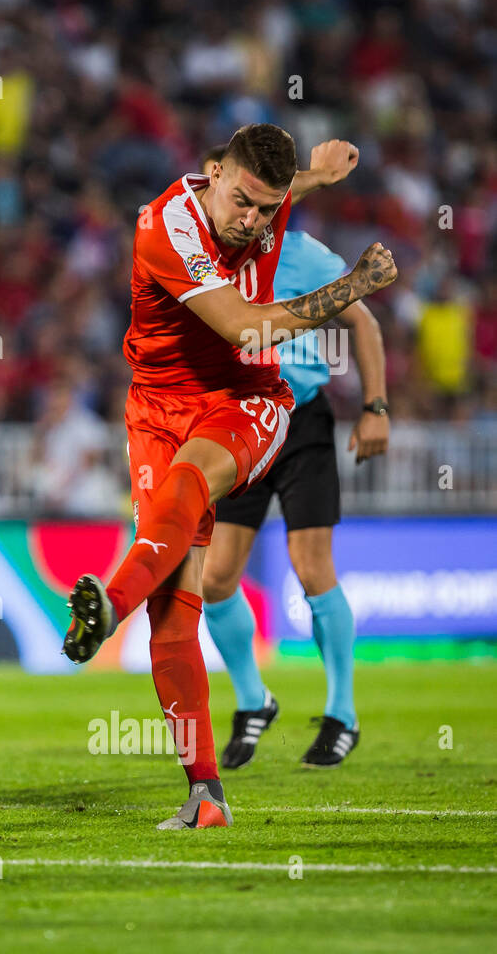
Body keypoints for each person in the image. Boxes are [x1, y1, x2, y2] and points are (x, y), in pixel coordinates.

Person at [61, 124, 397, 829]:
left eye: (268, 209)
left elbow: (273, 201)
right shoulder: (164, 227)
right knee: (175, 614)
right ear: (212, 173)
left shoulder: (260, 202)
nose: (254, 221)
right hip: (155, 408)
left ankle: (108, 606)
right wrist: (353, 284)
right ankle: (205, 794)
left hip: (249, 402)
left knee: (194, 484)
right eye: (243, 201)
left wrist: (315, 176)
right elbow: (245, 326)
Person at [197, 146, 390, 769]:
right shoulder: (201, 254)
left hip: (299, 419)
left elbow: (363, 324)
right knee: (216, 578)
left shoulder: (303, 255)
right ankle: (254, 701)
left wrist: (375, 407)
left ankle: (342, 713)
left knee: (311, 567)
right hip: (238, 423)